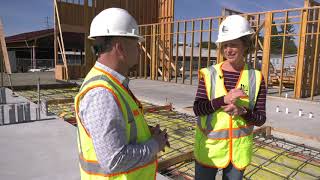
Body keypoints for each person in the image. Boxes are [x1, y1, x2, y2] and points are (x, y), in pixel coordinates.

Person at [74, 8, 169, 180]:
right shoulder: (102, 93)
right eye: (136, 44)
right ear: (121, 48)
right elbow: (114, 160)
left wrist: (146, 134)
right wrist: (155, 144)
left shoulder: (112, 84)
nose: (140, 50)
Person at [193, 15, 267, 180]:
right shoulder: (209, 74)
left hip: (238, 153)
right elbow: (197, 109)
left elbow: (261, 118)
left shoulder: (256, 77)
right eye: (225, 45)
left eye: (233, 44)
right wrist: (223, 100)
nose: (228, 50)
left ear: (245, 45)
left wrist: (242, 111)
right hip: (209, 150)